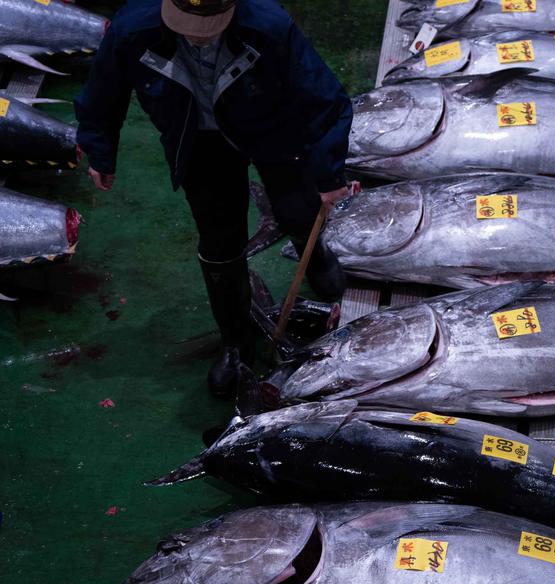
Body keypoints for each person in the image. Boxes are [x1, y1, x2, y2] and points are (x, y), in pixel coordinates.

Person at [75, 0, 353, 396]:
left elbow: (326, 99)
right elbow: (104, 91)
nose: (197, 34)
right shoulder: (131, 29)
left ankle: (316, 255)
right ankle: (236, 340)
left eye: (208, 24)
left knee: (297, 209)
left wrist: (328, 172)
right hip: (198, 138)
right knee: (219, 242)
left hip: (272, 126)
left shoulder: (269, 25)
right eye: (186, 22)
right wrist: (100, 150)